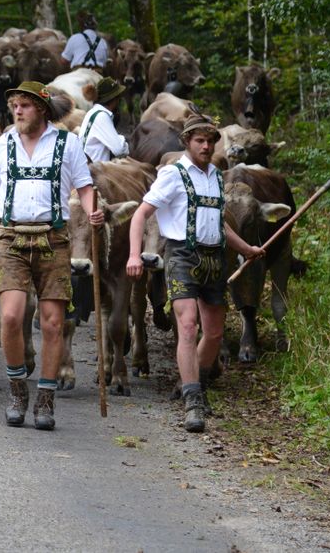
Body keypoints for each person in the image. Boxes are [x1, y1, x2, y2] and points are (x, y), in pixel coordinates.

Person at [0, 81, 103, 430]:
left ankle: (45, 398)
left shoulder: (67, 143)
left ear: (43, 110)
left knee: (51, 323)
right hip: (12, 237)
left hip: (54, 238)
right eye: (15, 105)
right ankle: (18, 389)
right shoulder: (5, 143)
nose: (17, 111)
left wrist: (93, 211)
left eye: (25, 106)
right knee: (11, 318)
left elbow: (84, 186)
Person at [125, 115, 263, 433]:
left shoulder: (216, 177)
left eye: (210, 140)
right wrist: (134, 254)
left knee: (213, 333)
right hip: (182, 256)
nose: (206, 145)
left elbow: (220, 223)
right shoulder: (172, 175)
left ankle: (195, 384)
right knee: (188, 327)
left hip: (214, 258)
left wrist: (246, 249)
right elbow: (141, 214)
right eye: (199, 140)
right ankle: (192, 401)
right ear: (187, 142)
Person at [79, 77, 130, 163]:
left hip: (87, 166)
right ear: (113, 99)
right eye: (118, 98)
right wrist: (122, 139)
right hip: (95, 171)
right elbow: (119, 150)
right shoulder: (101, 116)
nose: (119, 101)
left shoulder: (92, 112)